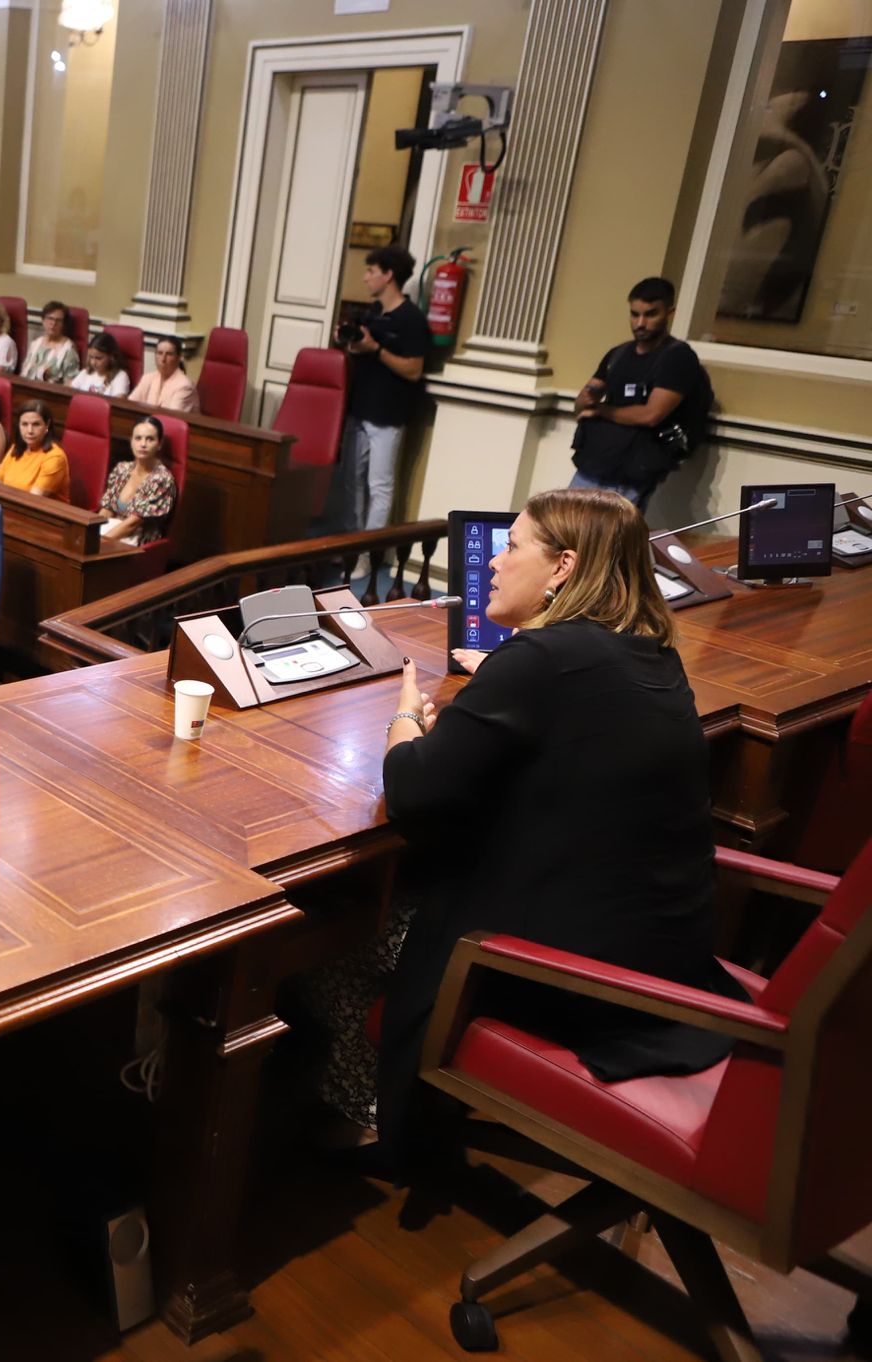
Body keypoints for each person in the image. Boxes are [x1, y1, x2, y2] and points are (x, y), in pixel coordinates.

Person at [365, 488, 743, 1172]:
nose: (493, 565)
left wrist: (404, 721)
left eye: (511, 549)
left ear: (563, 567)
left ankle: (380, 1133)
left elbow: (413, 792)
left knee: (359, 927)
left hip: (576, 982)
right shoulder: (650, 651)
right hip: (663, 961)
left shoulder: (537, 663)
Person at [569, 276, 712, 511]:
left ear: (669, 313)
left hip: (634, 469)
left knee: (607, 539)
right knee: (564, 527)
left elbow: (651, 415)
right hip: (596, 462)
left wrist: (600, 410)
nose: (640, 323)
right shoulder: (618, 354)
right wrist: (585, 402)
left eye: (650, 314)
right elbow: (583, 403)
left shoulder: (678, 357)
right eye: (635, 315)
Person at [338, 245, 426, 531]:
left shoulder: (411, 319)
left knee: (379, 487)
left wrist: (376, 349)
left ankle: (368, 556)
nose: (365, 278)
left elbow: (413, 370)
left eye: (371, 271)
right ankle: (349, 547)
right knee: (351, 482)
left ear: (388, 275)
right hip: (359, 408)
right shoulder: (374, 312)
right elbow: (359, 348)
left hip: (388, 415)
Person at [100, 416, 177, 544]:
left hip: (138, 541)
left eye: (150, 439)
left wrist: (100, 542)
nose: (143, 444)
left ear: (159, 444)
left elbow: (132, 524)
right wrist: (90, 531)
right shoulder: (122, 469)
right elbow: (107, 509)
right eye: (138, 438)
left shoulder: (162, 479)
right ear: (131, 441)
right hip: (113, 531)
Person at [0, 400, 71, 501]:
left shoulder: (55, 457)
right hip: (10, 507)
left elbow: (33, 500)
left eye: (36, 424)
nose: (29, 431)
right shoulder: (16, 448)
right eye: (24, 424)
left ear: (47, 425)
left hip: (40, 513)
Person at [128, 334, 196, 411]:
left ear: (178, 357)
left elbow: (172, 418)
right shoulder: (148, 378)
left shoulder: (185, 386)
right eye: (159, 353)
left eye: (169, 354)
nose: (163, 359)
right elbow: (130, 405)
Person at [19, 301, 81, 385]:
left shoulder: (68, 350)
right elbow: (24, 372)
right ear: (43, 320)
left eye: (58, 320)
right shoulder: (35, 343)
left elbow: (70, 384)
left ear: (64, 324)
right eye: (50, 318)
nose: (53, 323)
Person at [73, 333, 132, 398]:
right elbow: (70, 393)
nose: (93, 362)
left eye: (98, 358)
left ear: (111, 357)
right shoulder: (85, 373)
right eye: (91, 357)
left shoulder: (120, 376)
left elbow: (118, 403)